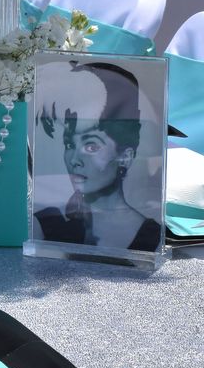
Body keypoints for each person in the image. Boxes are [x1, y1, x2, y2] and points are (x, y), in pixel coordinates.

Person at [34, 59, 161, 252]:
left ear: (125, 157)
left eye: (91, 146)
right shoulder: (45, 225)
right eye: (69, 143)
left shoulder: (154, 237)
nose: (74, 160)